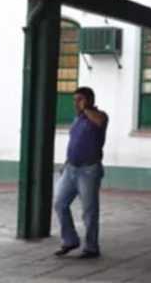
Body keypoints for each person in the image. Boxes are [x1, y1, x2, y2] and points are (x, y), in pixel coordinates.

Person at [53, 87, 109, 259]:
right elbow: (75, 142)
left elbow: (99, 122)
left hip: (89, 170)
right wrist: (66, 163)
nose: (76, 103)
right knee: (59, 203)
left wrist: (86, 109)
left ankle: (92, 247)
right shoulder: (78, 118)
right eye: (75, 100)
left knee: (89, 210)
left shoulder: (100, 116)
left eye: (80, 99)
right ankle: (70, 240)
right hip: (71, 168)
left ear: (89, 100)